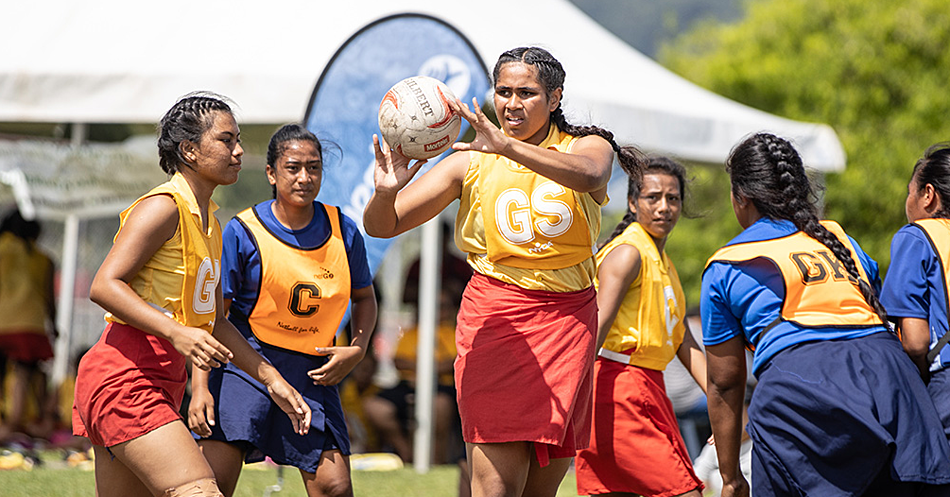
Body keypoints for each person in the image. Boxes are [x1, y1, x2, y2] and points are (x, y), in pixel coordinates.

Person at [364, 46, 643, 497]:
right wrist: (385, 192)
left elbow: (592, 175)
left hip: (567, 323)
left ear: (554, 99)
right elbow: (382, 226)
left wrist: (507, 146)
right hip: (495, 319)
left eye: (527, 93)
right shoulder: (468, 161)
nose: (512, 103)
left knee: (539, 490)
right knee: (494, 489)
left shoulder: (587, 147)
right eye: (503, 92)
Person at [71, 94, 311, 497]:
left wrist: (272, 379)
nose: (239, 151)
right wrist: (177, 333)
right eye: (226, 140)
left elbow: (216, 322)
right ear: (189, 150)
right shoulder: (163, 207)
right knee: (200, 491)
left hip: (161, 380)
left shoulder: (212, 224)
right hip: (123, 376)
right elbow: (105, 285)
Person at [701, 132, 950, 497]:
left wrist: (730, 477)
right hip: (891, 383)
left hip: (801, 392)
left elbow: (724, 383)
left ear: (742, 198)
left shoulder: (725, 265)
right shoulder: (842, 240)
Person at [189, 124, 377, 497]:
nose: (304, 177)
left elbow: (365, 298)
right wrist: (199, 388)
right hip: (245, 366)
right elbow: (212, 321)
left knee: (335, 487)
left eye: (314, 167)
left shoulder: (344, 231)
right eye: (293, 167)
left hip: (311, 374)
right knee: (211, 486)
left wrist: (357, 347)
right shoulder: (243, 231)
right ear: (272, 173)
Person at [574, 156, 706, 497]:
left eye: (673, 198)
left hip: (649, 386)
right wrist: (568, 396)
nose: (664, 207)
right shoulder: (628, 253)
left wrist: (728, 408)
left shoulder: (663, 263)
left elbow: (685, 343)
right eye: (653, 197)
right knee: (684, 492)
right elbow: (596, 326)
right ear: (633, 203)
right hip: (616, 388)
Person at [881, 143, 950, 440]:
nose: (907, 201)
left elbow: (916, 342)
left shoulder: (917, 236)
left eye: (910, 192)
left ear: (928, 195)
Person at [0, 209, 57, 442]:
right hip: (31, 325)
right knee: (24, 377)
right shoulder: (44, 258)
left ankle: (5, 427)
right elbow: (49, 298)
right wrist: (53, 325)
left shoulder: (2, 248)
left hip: (2, 321)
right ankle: (15, 426)